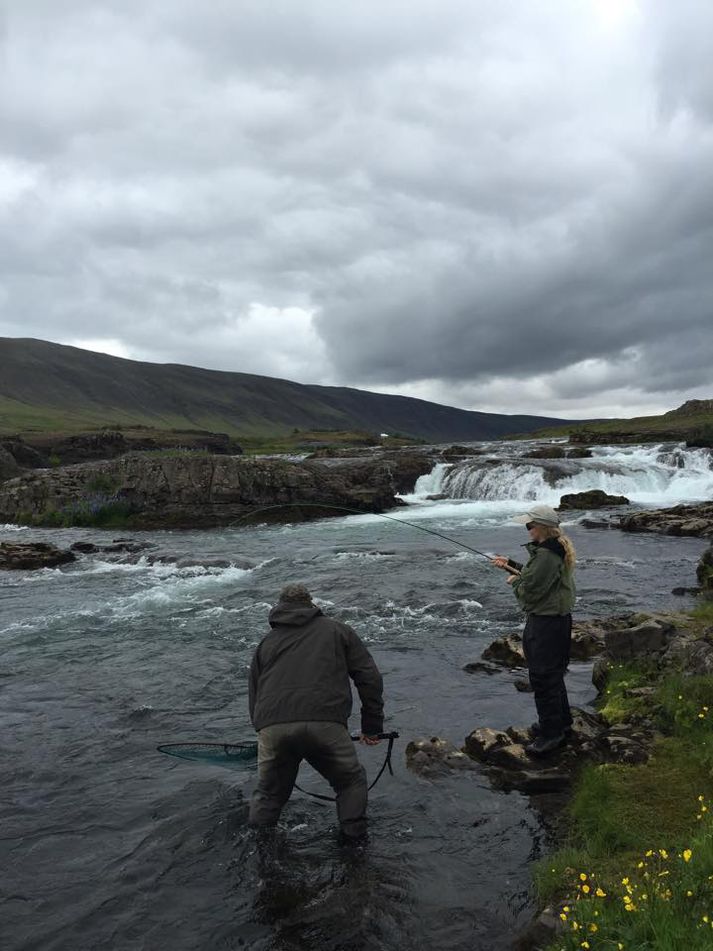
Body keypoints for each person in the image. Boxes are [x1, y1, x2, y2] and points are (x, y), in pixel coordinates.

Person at [248, 583, 384, 842]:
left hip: (272, 728)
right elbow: (369, 677)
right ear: (311, 604)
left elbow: (254, 692)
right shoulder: (338, 630)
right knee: (349, 782)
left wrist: (262, 730)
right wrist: (372, 727)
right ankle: (354, 848)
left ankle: (258, 851)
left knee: (269, 795)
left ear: (279, 607)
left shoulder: (266, 643)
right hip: (326, 724)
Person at [492, 503, 576, 757]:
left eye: (530, 525)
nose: (527, 530)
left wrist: (515, 582)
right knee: (552, 674)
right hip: (553, 620)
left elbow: (532, 591)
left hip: (547, 622)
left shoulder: (547, 555)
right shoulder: (550, 550)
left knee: (543, 676)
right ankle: (561, 724)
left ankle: (552, 735)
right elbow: (536, 575)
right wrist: (511, 564)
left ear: (542, 528)